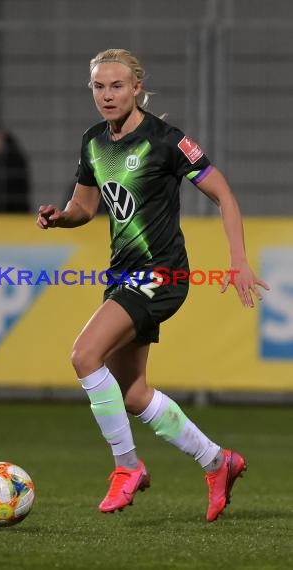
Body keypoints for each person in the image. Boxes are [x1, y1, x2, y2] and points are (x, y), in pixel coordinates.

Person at [36, 48, 269, 522]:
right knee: (133, 392)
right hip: (123, 274)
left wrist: (238, 260)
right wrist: (61, 219)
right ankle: (217, 461)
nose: (107, 95)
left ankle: (127, 468)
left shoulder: (166, 141)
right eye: (99, 87)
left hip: (161, 273)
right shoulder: (93, 142)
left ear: (137, 87)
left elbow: (223, 193)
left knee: (84, 356)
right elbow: (85, 208)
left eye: (117, 85)